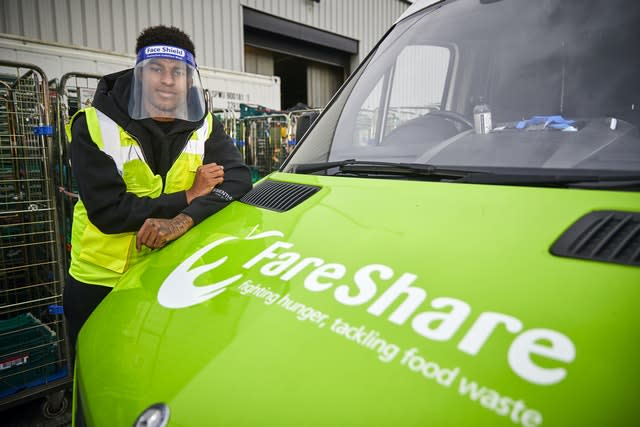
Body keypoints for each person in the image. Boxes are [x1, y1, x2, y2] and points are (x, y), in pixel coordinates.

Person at [62, 25, 252, 356]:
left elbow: (238, 178)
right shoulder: (93, 124)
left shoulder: (203, 123)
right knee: (97, 367)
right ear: (139, 75)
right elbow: (108, 212)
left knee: (154, 362)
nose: (168, 79)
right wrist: (188, 196)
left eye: (178, 71)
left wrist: (183, 220)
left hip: (165, 272)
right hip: (101, 281)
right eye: (156, 69)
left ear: (189, 80)